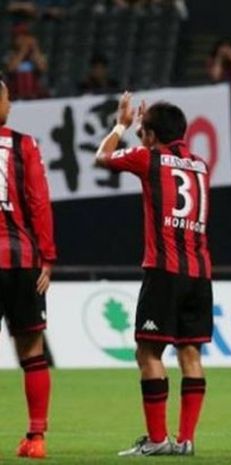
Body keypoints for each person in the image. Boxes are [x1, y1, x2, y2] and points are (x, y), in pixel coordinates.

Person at [95, 93, 213, 456]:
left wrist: (121, 126)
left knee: (148, 354)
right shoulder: (200, 165)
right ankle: (186, 439)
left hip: (164, 271)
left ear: (149, 134)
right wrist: (145, 135)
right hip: (200, 273)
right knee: (190, 354)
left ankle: (158, 440)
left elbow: (102, 157)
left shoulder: (148, 158)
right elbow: (162, 162)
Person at [0, 73, 56, 459]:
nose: (11, 104)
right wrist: (47, 257)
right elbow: (39, 203)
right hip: (20, 261)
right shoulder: (24, 145)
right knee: (32, 350)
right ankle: (35, 439)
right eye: (6, 97)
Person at [3, 23, 48, 100]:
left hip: (34, 93)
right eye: (20, 37)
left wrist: (35, 49)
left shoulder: (35, 53)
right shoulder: (11, 53)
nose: (24, 39)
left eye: (25, 36)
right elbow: (10, 68)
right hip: (14, 92)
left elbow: (43, 68)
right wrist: (23, 51)